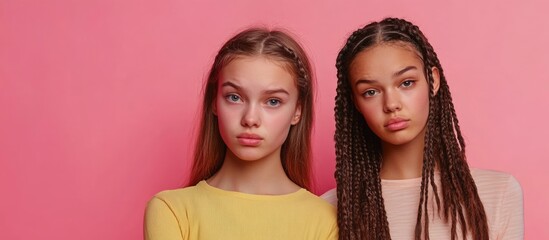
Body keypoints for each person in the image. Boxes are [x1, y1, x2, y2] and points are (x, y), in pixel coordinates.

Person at [321, 17, 523, 240]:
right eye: (371, 92)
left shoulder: (498, 193)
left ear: (433, 80)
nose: (391, 104)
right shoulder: (331, 209)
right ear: (356, 102)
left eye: (406, 83)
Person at [144, 28, 337, 240]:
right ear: (214, 103)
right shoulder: (172, 211)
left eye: (273, 101)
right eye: (234, 97)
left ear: (297, 111)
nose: (250, 119)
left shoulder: (324, 219)